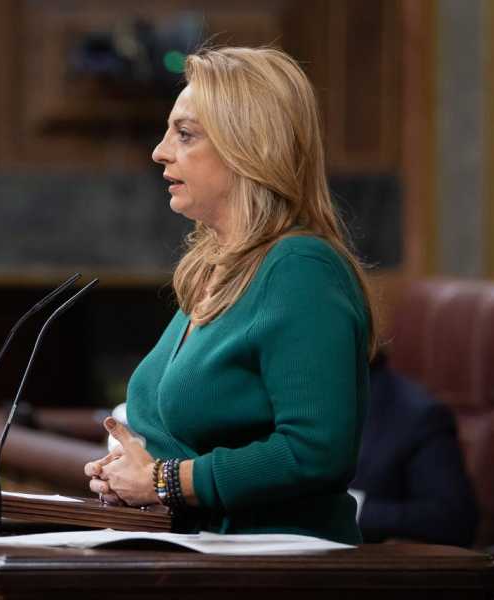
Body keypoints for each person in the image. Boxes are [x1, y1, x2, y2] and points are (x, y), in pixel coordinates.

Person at [84, 46, 375, 544]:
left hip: (277, 562)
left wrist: (165, 481)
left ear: (249, 146)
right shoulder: (215, 269)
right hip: (201, 552)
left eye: (185, 134)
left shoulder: (300, 269)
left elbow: (315, 452)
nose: (160, 151)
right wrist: (128, 473)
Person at [350, 352, 479, 546]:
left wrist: (347, 509)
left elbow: (452, 519)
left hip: (373, 559)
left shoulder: (418, 415)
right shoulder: (309, 400)